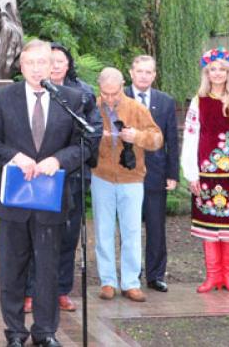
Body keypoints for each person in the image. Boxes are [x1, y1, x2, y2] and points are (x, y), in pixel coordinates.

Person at [0, 39, 85, 347]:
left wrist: (57, 160)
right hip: (15, 199)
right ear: (21, 67)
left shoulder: (71, 99)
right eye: (31, 63)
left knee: (48, 269)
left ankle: (45, 331)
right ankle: (14, 332)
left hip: (50, 199)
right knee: (12, 270)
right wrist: (14, 156)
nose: (37, 68)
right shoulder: (4, 97)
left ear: (52, 65)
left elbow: (84, 145)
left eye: (43, 62)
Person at [23, 42, 102, 313]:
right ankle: (32, 291)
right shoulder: (30, 93)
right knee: (36, 236)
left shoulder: (82, 94)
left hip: (73, 177)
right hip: (37, 177)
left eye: (60, 61)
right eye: (50, 61)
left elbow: (94, 132)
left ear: (68, 65)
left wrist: (69, 159)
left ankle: (61, 290)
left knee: (68, 237)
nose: (55, 66)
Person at [180, 47, 229, 293]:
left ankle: (227, 275)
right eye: (212, 70)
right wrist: (191, 172)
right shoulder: (198, 102)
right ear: (207, 73)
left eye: (222, 70)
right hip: (205, 174)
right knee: (208, 224)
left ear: (228, 73)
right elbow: (191, 138)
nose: (217, 74)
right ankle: (212, 276)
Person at [92, 67, 163, 303]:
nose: (110, 98)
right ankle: (107, 281)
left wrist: (138, 137)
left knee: (131, 231)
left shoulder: (136, 108)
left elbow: (157, 138)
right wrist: (95, 135)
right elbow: (76, 134)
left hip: (132, 179)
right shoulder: (92, 106)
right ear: (99, 87)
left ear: (123, 85)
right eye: (106, 93)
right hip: (101, 176)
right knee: (103, 231)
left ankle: (131, 283)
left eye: (115, 93)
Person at [124, 55, 179, 293]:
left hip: (156, 173)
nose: (144, 76)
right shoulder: (119, 97)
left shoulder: (165, 102)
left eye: (149, 72)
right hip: (125, 171)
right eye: (140, 71)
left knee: (156, 227)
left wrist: (172, 174)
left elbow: (172, 141)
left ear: (154, 75)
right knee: (129, 226)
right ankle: (130, 274)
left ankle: (155, 275)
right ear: (131, 73)